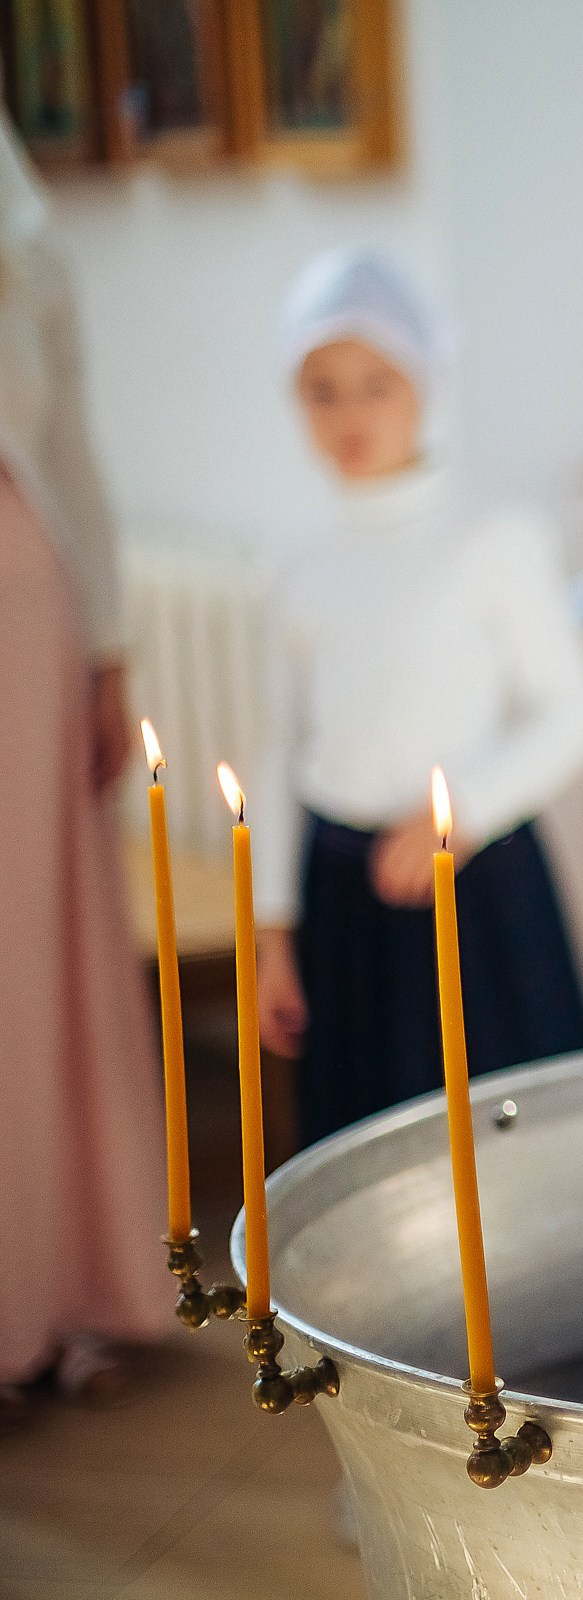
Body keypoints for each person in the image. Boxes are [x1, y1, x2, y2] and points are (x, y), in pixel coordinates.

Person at [251, 248, 583, 1146]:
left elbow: (575, 711)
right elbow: (277, 747)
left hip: (473, 887)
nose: (350, 415)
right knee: (363, 1149)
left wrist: (465, 811)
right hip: (344, 898)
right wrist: (273, 932)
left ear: (424, 382)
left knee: (506, 1146)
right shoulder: (293, 562)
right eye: (322, 391)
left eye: (376, 385)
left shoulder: (493, 536)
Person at [0, 125, 174, 1430]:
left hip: (23, 599)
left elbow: (67, 447)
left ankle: (52, 1292)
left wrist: (108, 651)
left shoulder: (23, 243)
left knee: (30, 953)